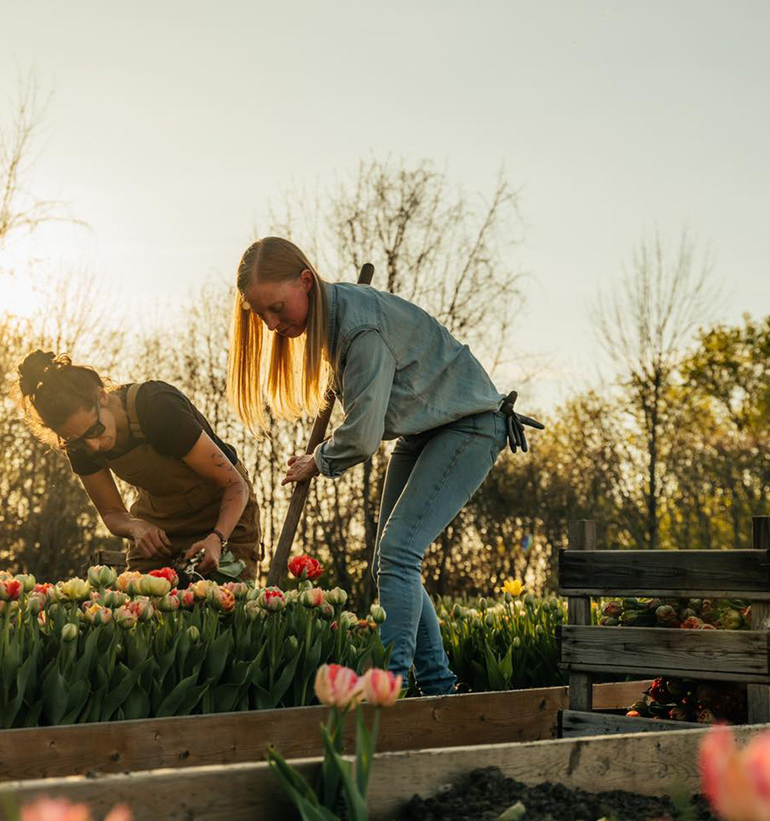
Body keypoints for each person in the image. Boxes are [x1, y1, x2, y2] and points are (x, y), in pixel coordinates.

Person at [227, 237, 538, 695]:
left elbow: (363, 436)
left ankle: (384, 691)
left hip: (469, 426)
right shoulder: (337, 323)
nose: (273, 324)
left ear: (306, 282)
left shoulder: (358, 329)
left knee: (397, 553)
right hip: (425, 429)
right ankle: (438, 687)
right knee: (389, 560)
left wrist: (319, 460)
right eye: (262, 316)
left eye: (276, 307)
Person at [16, 351, 262, 578]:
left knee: (224, 614)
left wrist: (216, 540)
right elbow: (112, 513)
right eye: (77, 440)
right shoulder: (79, 442)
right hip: (163, 525)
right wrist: (135, 527)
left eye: (95, 429)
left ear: (102, 396)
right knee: (138, 613)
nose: (92, 446)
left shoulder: (156, 407)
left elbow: (234, 485)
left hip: (224, 515)